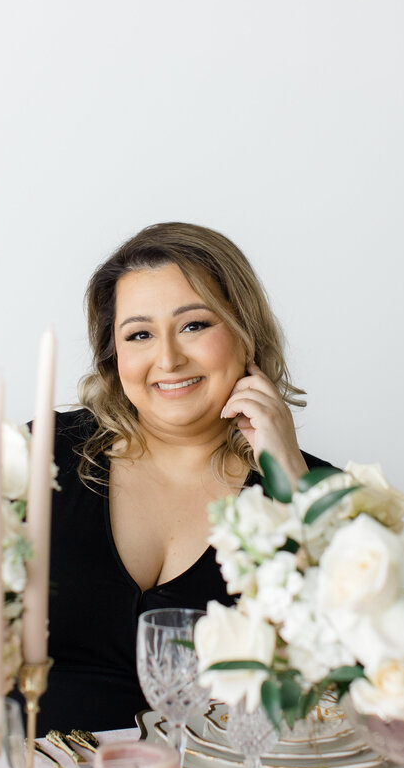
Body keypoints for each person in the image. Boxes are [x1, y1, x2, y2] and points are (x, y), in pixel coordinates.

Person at [36, 222, 333, 734]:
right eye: (140, 334)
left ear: (246, 334)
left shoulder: (318, 493)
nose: (168, 359)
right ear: (114, 354)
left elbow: (342, 681)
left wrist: (289, 479)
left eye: (194, 325)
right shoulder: (41, 456)